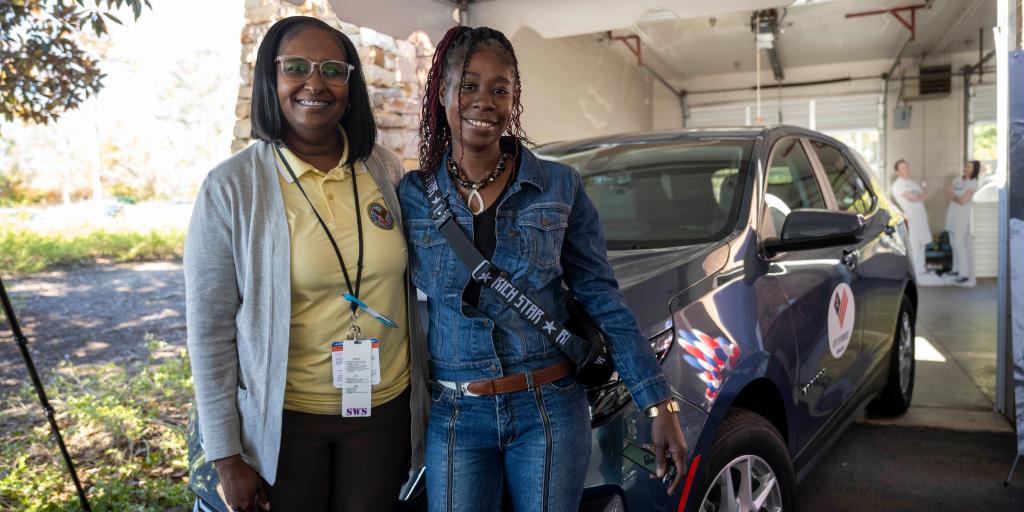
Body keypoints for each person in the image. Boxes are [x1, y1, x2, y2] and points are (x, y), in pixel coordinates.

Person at [397, 26, 687, 511]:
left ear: (515, 99)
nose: (483, 101)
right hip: (456, 414)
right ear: (441, 93)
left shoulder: (558, 186)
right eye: (468, 85)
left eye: (500, 88)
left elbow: (602, 299)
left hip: (549, 409)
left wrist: (659, 403)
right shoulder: (411, 195)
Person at [184, 16, 427, 512]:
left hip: (383, 412)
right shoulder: (231, 188)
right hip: (286, 424)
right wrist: (226, 456)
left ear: (351, 84)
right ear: (270, 80)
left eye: (333, 70)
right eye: (295, 67)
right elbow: (208, 332)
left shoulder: (382, 168)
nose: (315, 83)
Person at [891, 159, 934, 278]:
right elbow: (914, 198)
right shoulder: (897, 185)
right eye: (903, 168)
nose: (907, 170)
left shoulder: (912, 183)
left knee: (921, 244)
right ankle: (914, 272)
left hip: (921, 217)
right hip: (912, 219)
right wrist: (920, 195)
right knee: (914, 244)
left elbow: (924, 196)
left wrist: (920, 195)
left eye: (907, 167)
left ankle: (920, 269)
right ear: (897, 172)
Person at [944, 160, 980, 285]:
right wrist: (956, 197)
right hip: (952, 215)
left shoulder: (973, 183)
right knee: (953, 243)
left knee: (959, 244)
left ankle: (964, 273)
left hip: (961, 218)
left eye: (968, 166)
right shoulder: (958, 179)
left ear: (974, 169)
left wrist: (954, 196)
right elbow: (947, 193)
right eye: (965, 165)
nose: (965, 168)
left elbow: (963, 200)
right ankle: (956, 269)